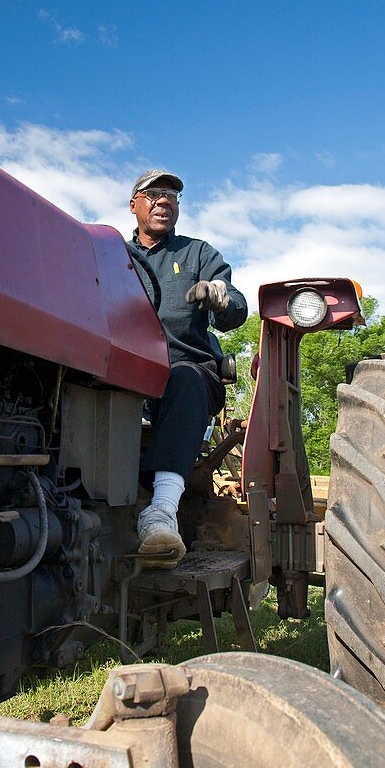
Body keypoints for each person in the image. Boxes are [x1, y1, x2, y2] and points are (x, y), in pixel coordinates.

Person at [127, 169, 248, 566]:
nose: (164, 201)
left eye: (173, 197)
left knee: (183, 377)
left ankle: (160, 513)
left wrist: (220, 296)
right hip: (124, 374)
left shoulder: (197, 254)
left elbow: (236, 309)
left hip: (187, 370)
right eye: (154, 194)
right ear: (134, 206)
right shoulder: (113, 257)